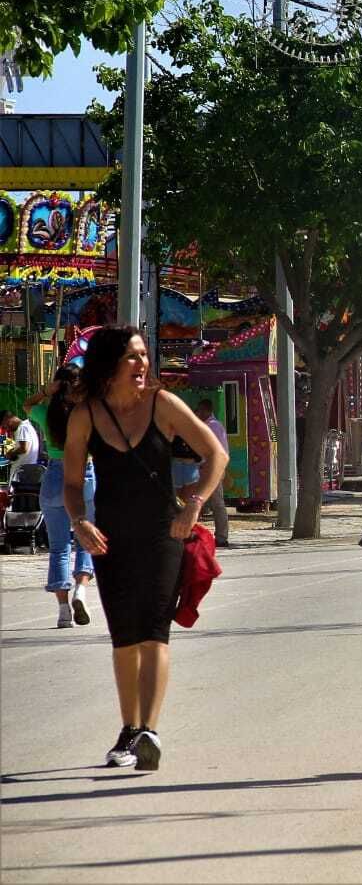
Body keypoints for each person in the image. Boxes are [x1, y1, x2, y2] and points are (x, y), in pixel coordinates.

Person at [62, 326, 228, 771]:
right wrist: (79, 523)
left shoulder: (163, 405)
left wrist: (194, 504)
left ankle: (150, 732)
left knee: (154, 631)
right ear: (109, 366)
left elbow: (216, 455)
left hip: (162, 533)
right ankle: (129, 728)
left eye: (143, 356)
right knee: (124, 639)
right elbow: (73, 483)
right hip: (110, 539)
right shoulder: (87, 415)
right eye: (132, 357)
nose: (142, 365)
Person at [27, 367, 95, 627]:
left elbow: (27, 404)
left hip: (54, 477)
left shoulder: (47, 413)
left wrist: (46, 391)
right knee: (86, 540)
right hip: (83, 475)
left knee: (59, 548)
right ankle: (81, 590)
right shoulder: (86, 413)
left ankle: (64, 612)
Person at [192, 398, 231, 547]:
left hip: (211, 468)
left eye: (200, 411)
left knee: (216, 503)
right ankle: (196, 533)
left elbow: (218, 450)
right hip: (203, 468)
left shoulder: (213, 427)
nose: (199, 413)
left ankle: (221, 536)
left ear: (207, 411)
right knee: (200, 502)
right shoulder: (207, 425)